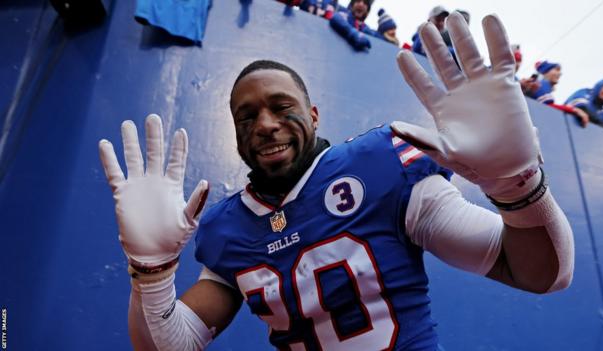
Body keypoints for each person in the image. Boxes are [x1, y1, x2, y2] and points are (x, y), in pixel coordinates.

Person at [98, 12, 574, 351]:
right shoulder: (228, 228)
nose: (264, 124)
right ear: (238, 136)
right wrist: (152, 274)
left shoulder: (381, 165)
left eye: (281, 107)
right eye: (247, 117)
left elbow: (539, 274)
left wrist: (518, 189)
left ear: (313, 114)